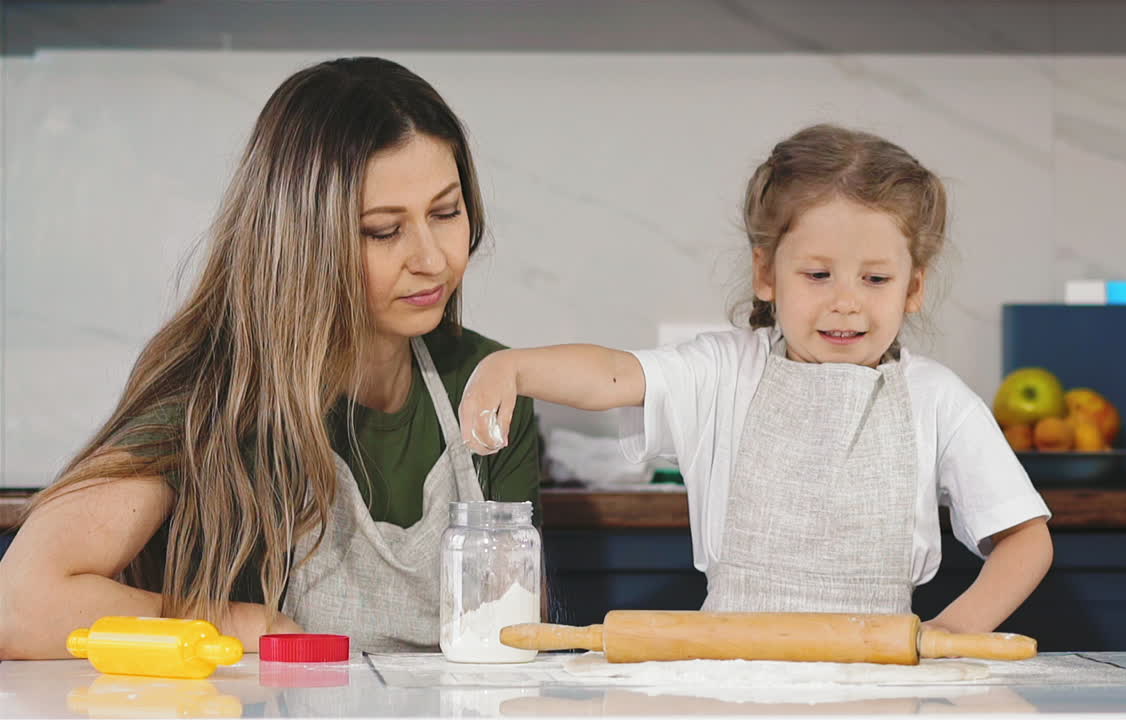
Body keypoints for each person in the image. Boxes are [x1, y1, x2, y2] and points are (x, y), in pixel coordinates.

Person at [0, 57, 541, 658]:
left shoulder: (491, 383)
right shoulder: (214, 395)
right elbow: (19, 603)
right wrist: (246, 625)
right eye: (383, 231)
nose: (432, 259)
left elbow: (516, 639)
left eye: (445, 213)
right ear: (304, 238)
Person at [459, 124, 1051, 632]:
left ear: (913, 287)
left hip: (879, 690)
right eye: (818, 274)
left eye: (875, 279)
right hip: (734, 682)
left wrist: (948, 633)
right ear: (767, 274)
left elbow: (1026, 540)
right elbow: (611, 375)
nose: (846, 302)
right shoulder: (724, 372)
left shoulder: (937, 400)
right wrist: (511, 366)